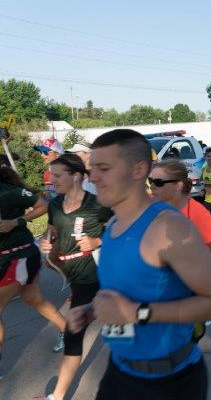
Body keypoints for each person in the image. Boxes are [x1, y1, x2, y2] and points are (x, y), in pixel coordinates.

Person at [68, 129, 211, 399]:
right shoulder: (112, 226)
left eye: (104, 168)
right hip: (119, 372)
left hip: (169, 383)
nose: (92, 177)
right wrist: (93, 310)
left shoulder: (169, 227)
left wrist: (137, 313)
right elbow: (129, 291)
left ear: (138, 170)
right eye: (92, 168)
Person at [149, 160, 211, 379]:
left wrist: (183, 261)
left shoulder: (196, 213)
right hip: (167, 282)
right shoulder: (153, 205)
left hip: (195, 281)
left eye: (158, 182)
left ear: (178, 186)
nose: (152, 187)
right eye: (150, 181)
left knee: (181, 338)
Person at [36, 153, 112, 400]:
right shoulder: (56, 204)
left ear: (76, 176)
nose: (52, 179)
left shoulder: (98, 204)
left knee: (74, 333)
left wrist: (97, 240)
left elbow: (123, 231)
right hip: (73, 275)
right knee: (125, 326)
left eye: (57, 175)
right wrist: (48, 245)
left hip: (96, 276)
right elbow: (52, 233)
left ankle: (56, 397)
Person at [0, 167, 67, 378]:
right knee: (33, 299)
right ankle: (70, 332)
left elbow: (43, 205)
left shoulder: (9, 191)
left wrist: (15, 222)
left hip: (19, 255)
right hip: (7, 257)